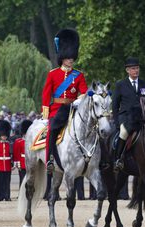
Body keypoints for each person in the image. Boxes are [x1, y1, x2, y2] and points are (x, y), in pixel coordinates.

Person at [42, 28, 88, 172]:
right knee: (52, 129)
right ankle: (49, 159)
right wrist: (45, 113)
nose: (71, 61)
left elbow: (85, 92)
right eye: (69, 58)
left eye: (72, 58)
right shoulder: (53, 74)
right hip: (56, 109)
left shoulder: (78, 75)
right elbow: (46, 94)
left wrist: (78, 100)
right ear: (63, 58)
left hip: (73, 109)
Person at [112, 57, 145, 172]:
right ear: (127, 70)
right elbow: (115, 105)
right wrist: (117, 122)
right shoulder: (121, 85)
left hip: (142, 116)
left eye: (137, 68)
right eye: (133, 68)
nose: (136, 71)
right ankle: (118, 159)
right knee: (124, 132)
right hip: (126, 117)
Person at [0, 120, 12, 201]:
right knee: (0, 182)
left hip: (7, 165)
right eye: (3, 136)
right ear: (0, 136)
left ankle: (7, 196)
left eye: (5, 136)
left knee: (7, 182)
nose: (4, 137)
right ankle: (0, 196)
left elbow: (12, 155)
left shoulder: (9, 144)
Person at [13, 120, 32, 188]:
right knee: (22, 179)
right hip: (22, 162)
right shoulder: (18, 142)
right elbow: (17, 153)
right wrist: (18, 164)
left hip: (31, 162)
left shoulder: (31, 142)